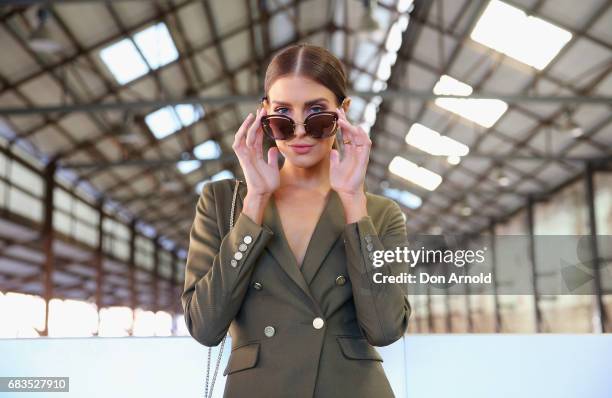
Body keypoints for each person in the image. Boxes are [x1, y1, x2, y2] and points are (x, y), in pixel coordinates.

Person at [182, 43, 411, 398]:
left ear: (343, 112)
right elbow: (205, 327)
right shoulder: (224, 202)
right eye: (283, 116)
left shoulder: (379, 213)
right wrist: (255, 201)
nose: (300, 131)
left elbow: (385, 329)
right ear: (264, 115)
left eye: (318, 114)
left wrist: (353, 204)